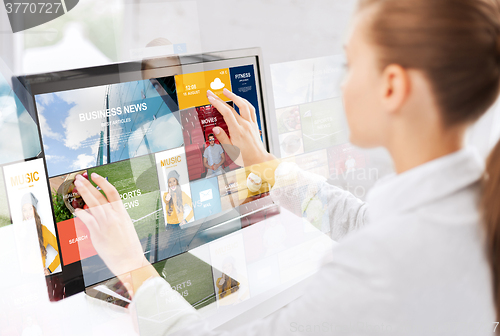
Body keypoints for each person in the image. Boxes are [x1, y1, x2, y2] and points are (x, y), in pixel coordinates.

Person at [73, 0, 500, 334]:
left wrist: (131, 266)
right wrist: (271, 170)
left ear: (392, 86)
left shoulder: (380, 268)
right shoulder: (467, 209)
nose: (343, 82)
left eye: (350, 65)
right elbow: (365, 223)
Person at [21, 192, 61, 275]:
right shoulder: (20, 231)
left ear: (35, 210)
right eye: (24, 210)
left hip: (40, 277)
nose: (28, 213)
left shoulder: (43, 230)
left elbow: (62, 251)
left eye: (30, 209)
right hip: (25, 277)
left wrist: (50, 270)